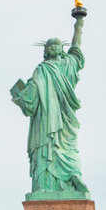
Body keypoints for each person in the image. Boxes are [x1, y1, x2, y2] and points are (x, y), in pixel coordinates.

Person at [12, 16, 89, 194]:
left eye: (56, 44)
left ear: (63, 49)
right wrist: (23, 97)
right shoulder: (41, 70)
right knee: (56, 147)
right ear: (45, 51)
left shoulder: (66, 64)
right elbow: (31, 98)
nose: (53, 47)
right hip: (46, 118)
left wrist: (79, 23)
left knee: (63, 147)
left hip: (63, 117)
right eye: (50, 45)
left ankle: (72, 176)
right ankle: (54, 182)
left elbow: (76, 46)